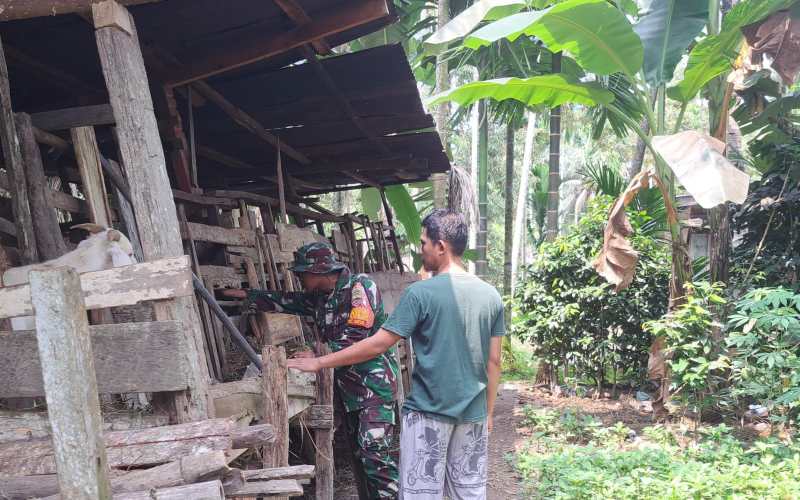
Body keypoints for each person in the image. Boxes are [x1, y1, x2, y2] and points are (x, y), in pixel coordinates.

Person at [288, 210, 504, 500]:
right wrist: (488, 414)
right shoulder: (491, 295)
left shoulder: (421, 293)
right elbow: (493, 362)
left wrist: (318, 362)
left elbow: (378, 344)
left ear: (441, 247)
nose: (421, 249)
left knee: (421, 493)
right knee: (467, 493)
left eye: (424, 243)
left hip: (429, 413)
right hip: (474, 414)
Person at [219, 242, 399, 499]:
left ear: (319, 271)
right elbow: (285, 301)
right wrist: (244, 295)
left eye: (302, 273)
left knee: (375, 457)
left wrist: (318, 356)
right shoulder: (321, 298)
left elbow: (358, 337)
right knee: (361, 458)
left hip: (373, 388)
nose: (299, 278)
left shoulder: (360, 286)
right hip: (349, 392)